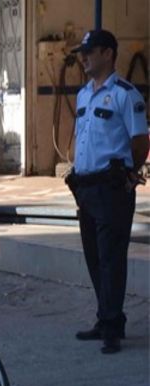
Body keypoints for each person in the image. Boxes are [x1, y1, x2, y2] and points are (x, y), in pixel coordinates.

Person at [66, 30, 149, 354]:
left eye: (90, 51)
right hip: (86, 188)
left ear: (108, 54)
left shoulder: (126, 95)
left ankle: (112, 326)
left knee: (111, 259)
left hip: (112, 188)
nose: (83, 57)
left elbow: (140, 140)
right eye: (82, 52)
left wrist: (130, 172)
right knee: (94, 257)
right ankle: (106, 317)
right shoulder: (84, 94)